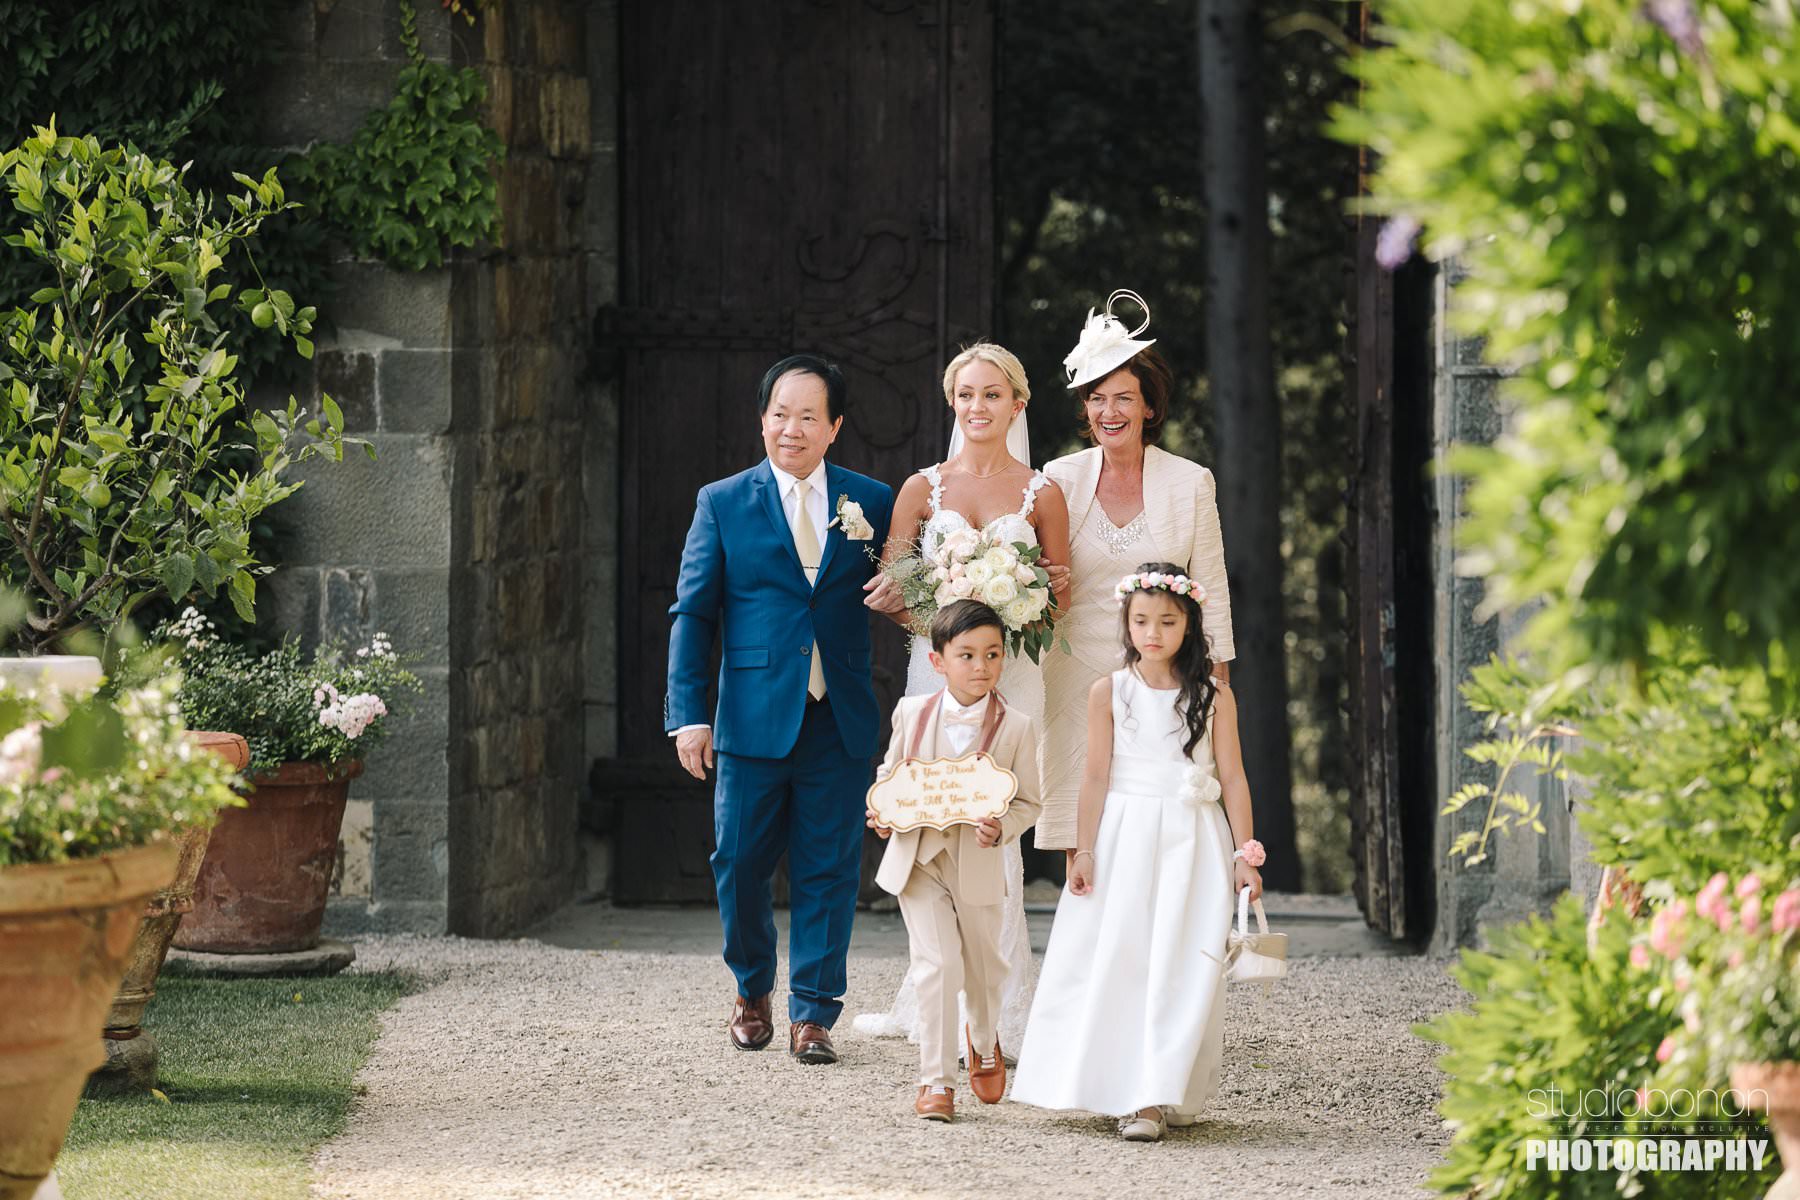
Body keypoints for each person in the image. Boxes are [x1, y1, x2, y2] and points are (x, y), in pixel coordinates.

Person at [665, 353, 903, 1065]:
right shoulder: (722, 502)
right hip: (751, 716)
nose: (790, 429)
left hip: (840, 714)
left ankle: (814, 1014)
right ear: (762, 420)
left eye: (807, 417)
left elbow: (908, 589)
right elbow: (693, 614)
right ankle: (750, 989)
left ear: (834, 427)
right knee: (738, 861)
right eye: (779, 414)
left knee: (830, 868)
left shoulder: (874, 500)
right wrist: (689, 715)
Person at [852, 342, 1070, 1052]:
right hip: (938, 676)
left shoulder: (1042, 494)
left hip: (1014, 678)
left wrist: (1017, 609)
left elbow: (1058, 599)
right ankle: (933, 997)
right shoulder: (922, 490)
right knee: (934, 820)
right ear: (953, 403)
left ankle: (1002, 1009)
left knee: (993, 823)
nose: (979, 406)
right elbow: (895, 592)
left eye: (993, 394)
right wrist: (951, 637)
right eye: (967, 394)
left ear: (1018, 404)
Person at [1010, 563, 1264, 1142]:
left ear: (1189, 624)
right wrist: (1084, 850)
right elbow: (1095, 776)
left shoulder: (1215, 695)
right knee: (1121, 957)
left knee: (1182, 961)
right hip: (1124, 834)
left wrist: (1244, 855)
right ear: (1126, 623)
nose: (1153, 632)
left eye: (1167, 621)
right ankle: (1128, 1092)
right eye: (1142, 620)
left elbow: (1233, 777)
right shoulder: (1110, 690)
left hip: (1193, 838)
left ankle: (1162, 1088)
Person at [1039, 289, 1235, 861]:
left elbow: (1211, 588)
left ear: (1149, 406)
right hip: (1074, 673)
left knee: (1162, 824)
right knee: (1083, 832)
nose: (1110, 412)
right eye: (1097, 399)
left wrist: (1217, 685)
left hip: (1164, 675)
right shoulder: (1058, 478)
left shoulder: (1191, 482)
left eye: (1124, 398)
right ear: (1085, 409)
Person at [865, 600, 1044, 1122]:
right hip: (919, 859)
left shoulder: (1017, 727)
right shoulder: (911, 713)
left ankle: (984, 1039)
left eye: (992, 654)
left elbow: (1030, 802)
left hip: (978, 863)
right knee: (937, 965)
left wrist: (1003, 826)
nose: (981, 666)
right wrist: (883, 812)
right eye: (966, 655)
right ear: (938, 660)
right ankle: (936, 1081)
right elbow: (891, 774)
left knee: (985, 970)